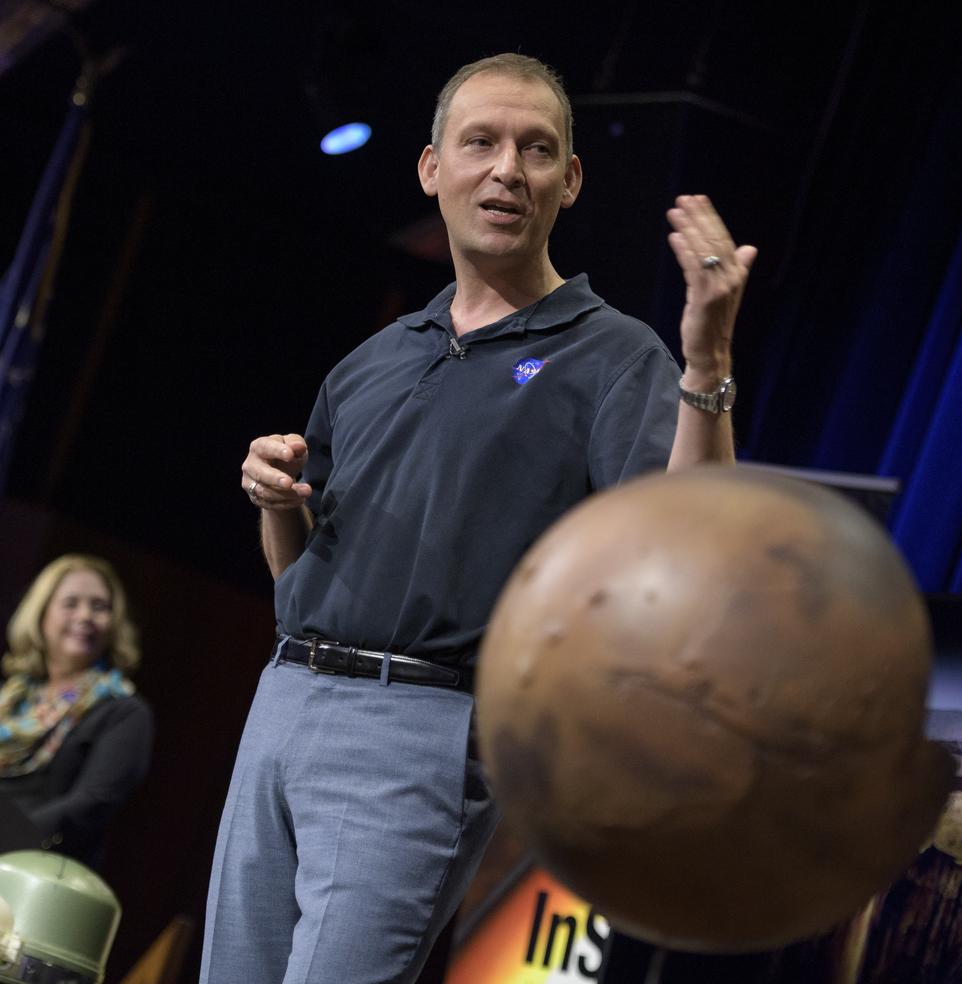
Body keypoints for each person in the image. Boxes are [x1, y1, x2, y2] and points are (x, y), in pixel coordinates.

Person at [201, 52, 757, 983]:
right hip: (284, 701)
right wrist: (275, 499)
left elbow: (692, 538)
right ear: (431, 168)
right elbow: (300, 577)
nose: (508, 170)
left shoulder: (612, 355)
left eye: (538, 150)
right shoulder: (376, 358)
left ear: (569, 182)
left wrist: (706, 369)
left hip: (425, 726)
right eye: (483, 143)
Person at [0, 553, 153, 869]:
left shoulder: (123, 713)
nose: (85, 616)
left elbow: (92, 803)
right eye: (71, 603)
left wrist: (3, 836)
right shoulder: (1, 699)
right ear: (41, 615)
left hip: (38, 871)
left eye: (99, 607)